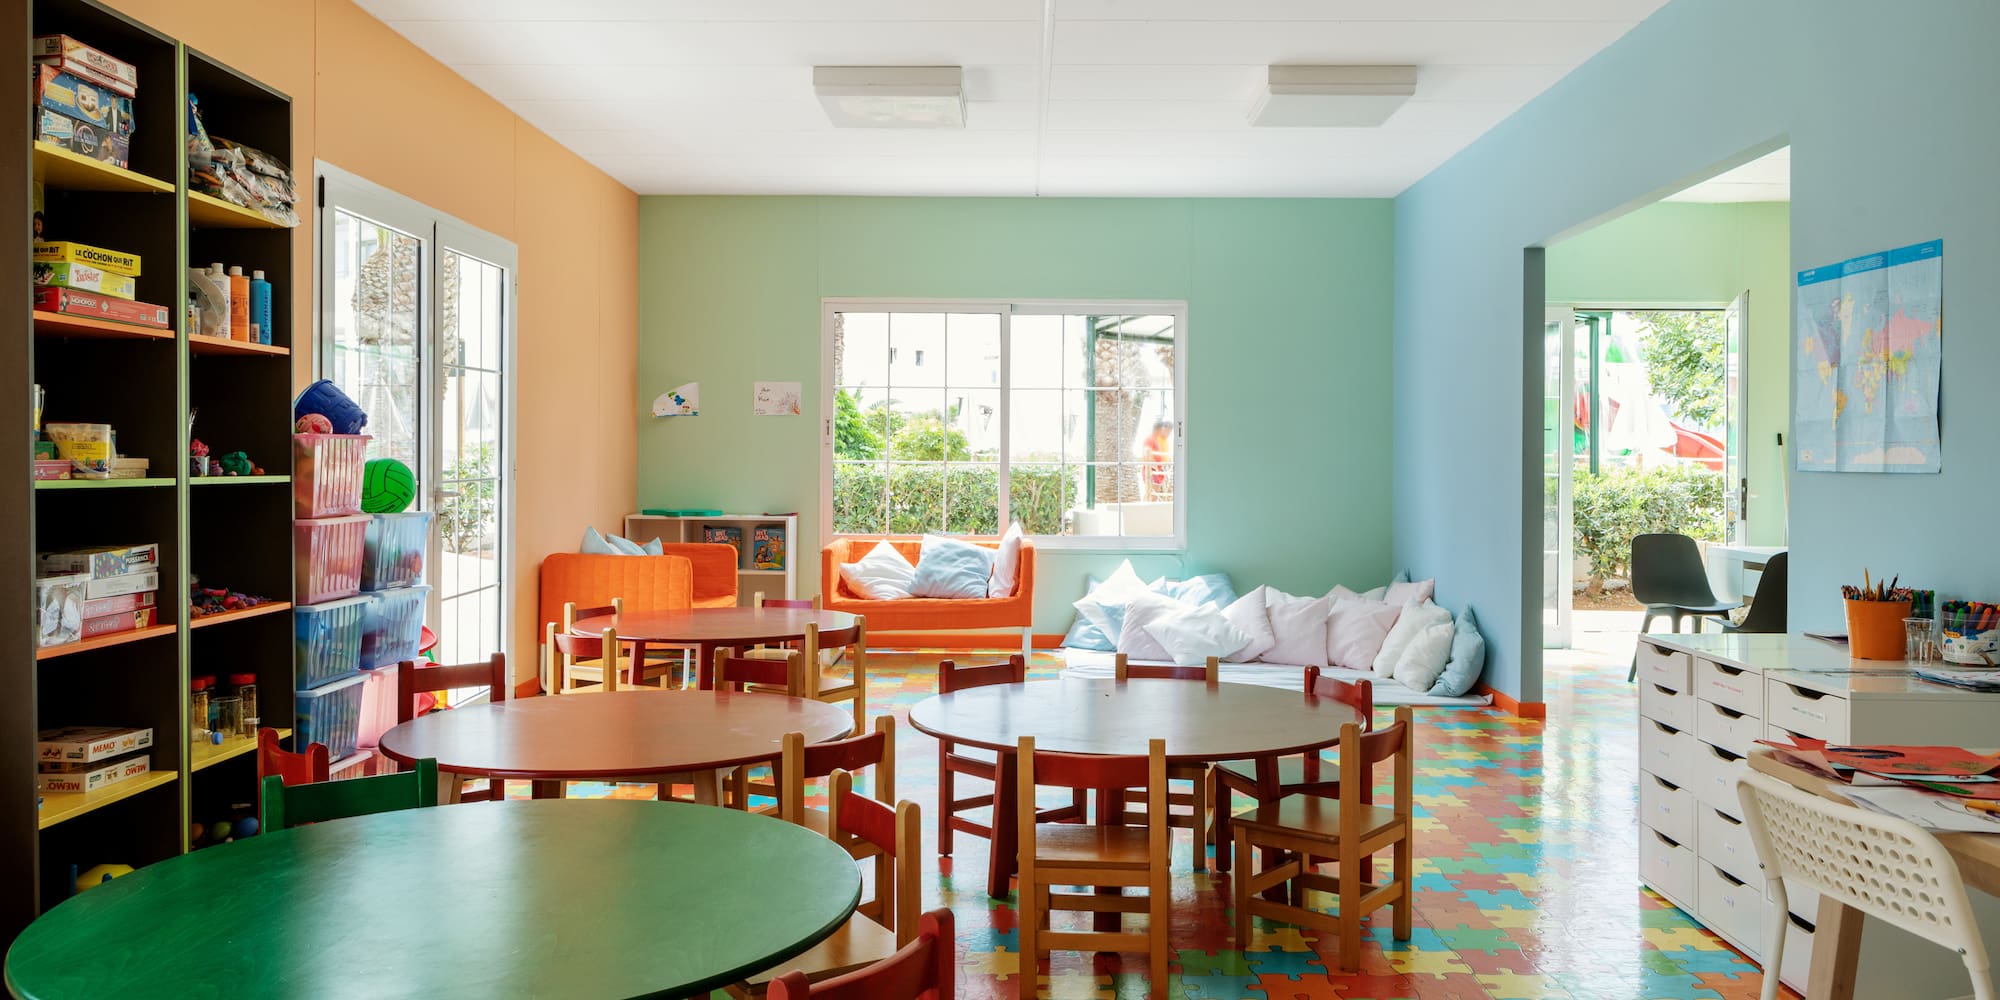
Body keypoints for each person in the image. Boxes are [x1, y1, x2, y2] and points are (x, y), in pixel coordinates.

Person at [1142, 420, 1174, 500]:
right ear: (1159, 429)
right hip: (1152, 470)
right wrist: (1154, 466)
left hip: (1159, 470)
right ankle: (1147, 509)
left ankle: (1151, 508)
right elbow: (1146, 453)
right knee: (1151, 493)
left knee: (1155, 493)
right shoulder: (1150, 439)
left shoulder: (1157, 440)